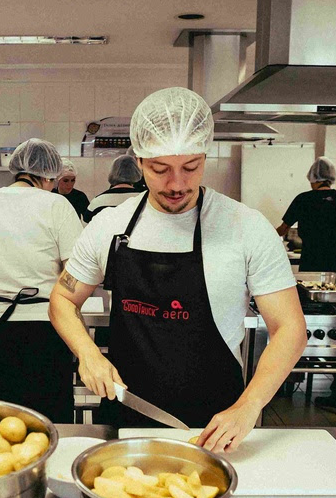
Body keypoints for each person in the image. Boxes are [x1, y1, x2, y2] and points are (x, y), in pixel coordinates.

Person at [49, 88, 306, 452]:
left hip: (215, 429)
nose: (177, 184)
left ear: (205, 156)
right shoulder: (110, 226)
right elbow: (62, 297)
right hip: (125, 424)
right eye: (160, 169)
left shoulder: (244, 226)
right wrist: (88, 354)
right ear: (138, 161)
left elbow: (291, 328)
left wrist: (249, 406)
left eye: (191, 167)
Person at [0, 139, 83, 423]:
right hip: (44, 326)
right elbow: (75, 268)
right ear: (49, 176)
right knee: (49, 419)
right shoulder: (57, 204)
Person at [276, 157, 336, 418]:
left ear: (312, 178)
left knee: (300, 326)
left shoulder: (303, 199)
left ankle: (286, 383)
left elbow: (281, 231)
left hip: (310, 271)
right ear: (331, 178)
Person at [276, 157, 336, 279]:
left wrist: (266, 234)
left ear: (313, 178)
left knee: (310, 294)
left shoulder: (303, 199)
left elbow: (283, 229)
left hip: (311, 262)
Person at [85, 155, 143, 222]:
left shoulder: (98, 202)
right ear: (136, 172)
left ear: (112, 172)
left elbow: (87, 227)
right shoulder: (144, 199)